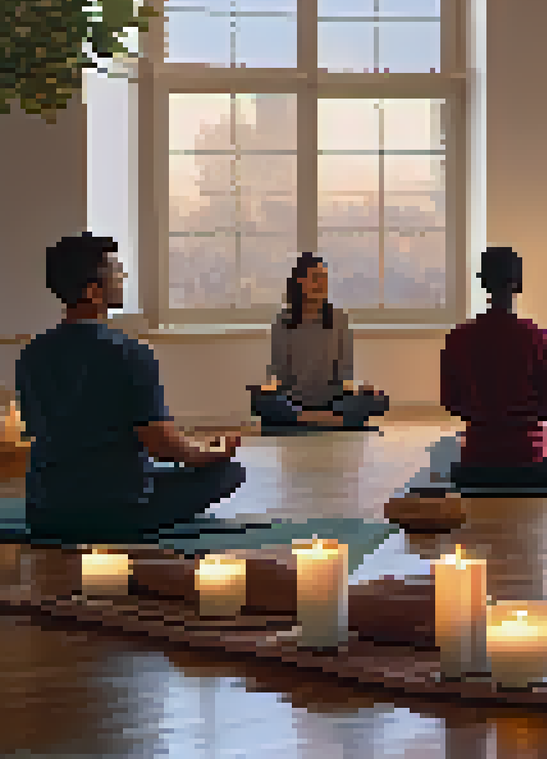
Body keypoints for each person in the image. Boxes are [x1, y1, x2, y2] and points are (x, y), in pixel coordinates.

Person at [17, 233, 245, 543]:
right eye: (116, 271)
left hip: (44, 512)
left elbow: (36, 430)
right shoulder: (130, 352)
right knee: (230, 472)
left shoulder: (31, 354)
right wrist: (209, 453)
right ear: (92, 291)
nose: (122, 278)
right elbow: (160, 444)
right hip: (118, 510)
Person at [440, 247, 547, 489]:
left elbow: (451, 402)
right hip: (529, 465)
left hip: (475, 464)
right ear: (517, 285)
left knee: (445, 450)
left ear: (483, 283)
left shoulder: (457, 338)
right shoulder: (539, 338)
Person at [250, 254, 390, 429]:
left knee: (379, 400)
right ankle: (330, 420)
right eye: (316, 278)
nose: (321, 284)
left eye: (324, 279)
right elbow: (280, 374)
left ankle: (307, 420)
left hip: (332, 402)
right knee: (260, 401)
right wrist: (268, 390)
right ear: (300, 281)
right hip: (295, 402)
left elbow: (345, 373)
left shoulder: (339, 319)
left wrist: (360, 390)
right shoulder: (283, 321)